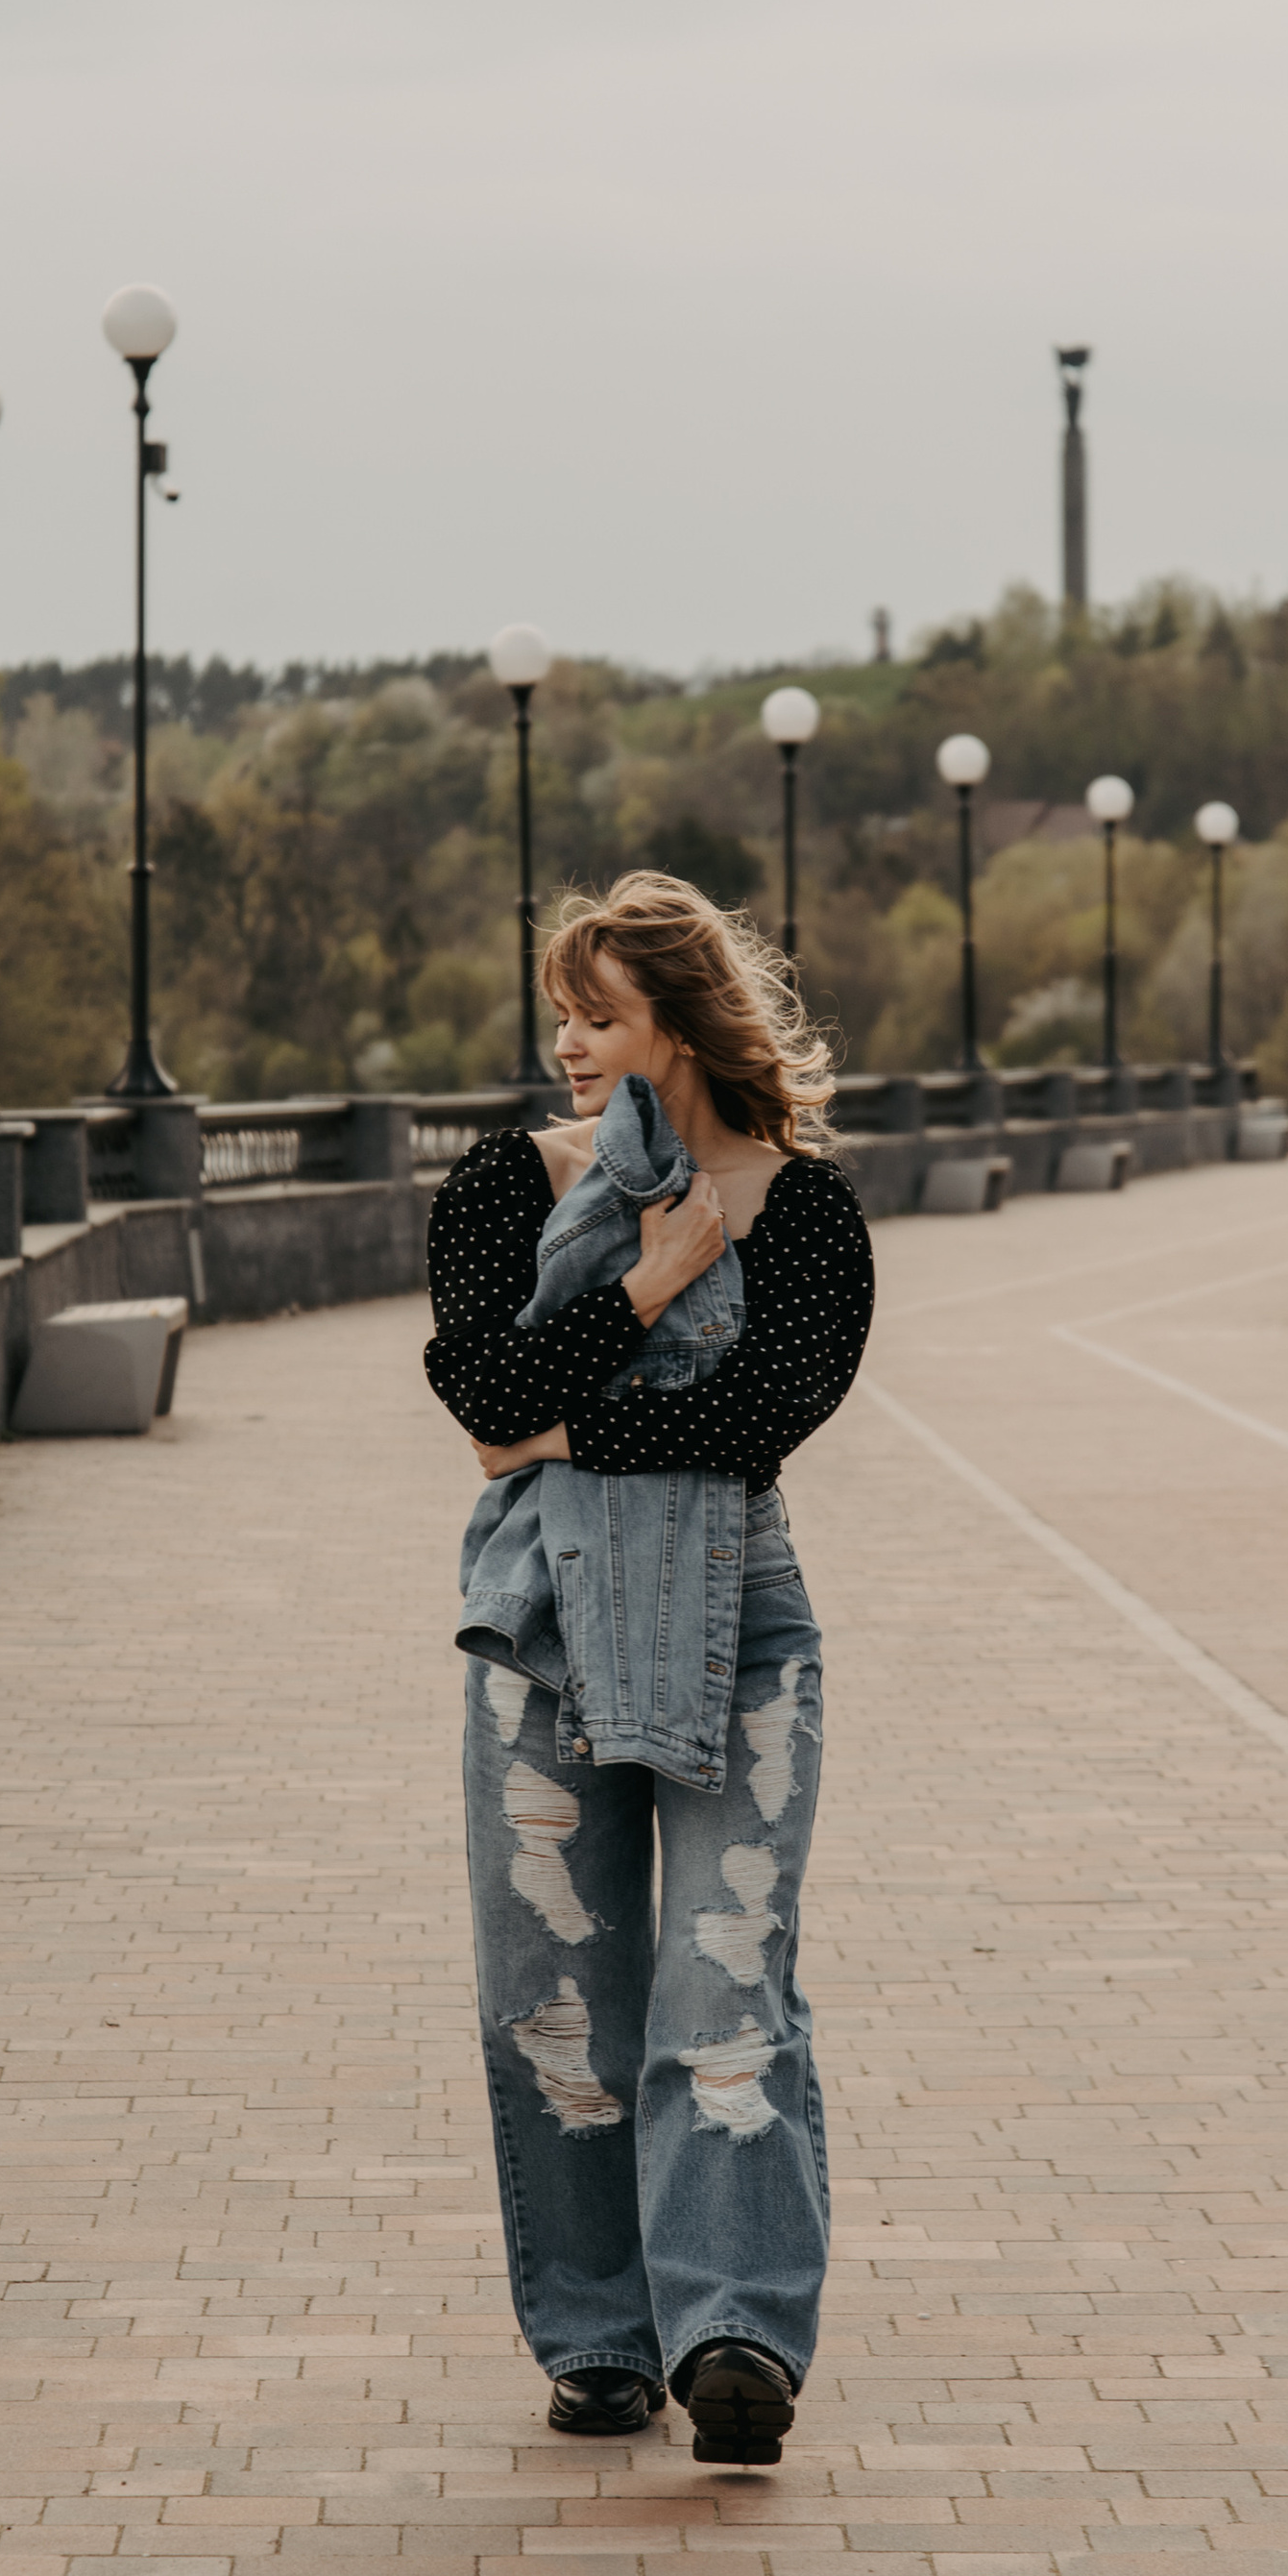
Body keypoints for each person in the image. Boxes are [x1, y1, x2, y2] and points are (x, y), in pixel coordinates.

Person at [424, 871, 874, 2465]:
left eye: (596, 1015)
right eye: (562, 1013)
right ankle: (603, 2340)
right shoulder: (506, 1183)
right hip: (537, 1637)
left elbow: (754, 1423)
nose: (566, 1044)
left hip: (742, 1633)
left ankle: (735, 2330)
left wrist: (559, 1425)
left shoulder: (808, 1210)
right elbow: (478, 1401)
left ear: (675, 1029)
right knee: (555, 1999)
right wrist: (654, 1280)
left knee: (722, 1977)